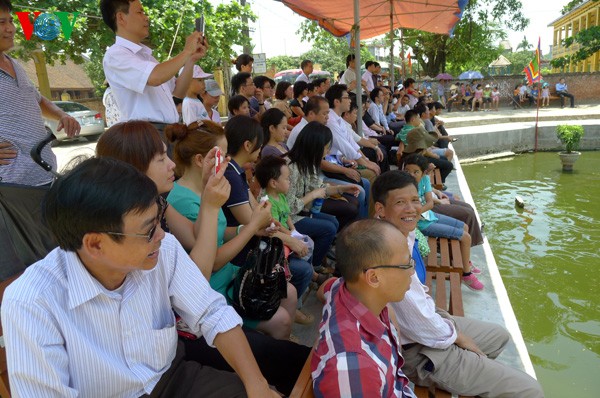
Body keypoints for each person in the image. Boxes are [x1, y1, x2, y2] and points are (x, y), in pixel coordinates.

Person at [1, 156, 280, 397]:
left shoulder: (162, 249)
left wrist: (257, 385)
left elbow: (212, 313)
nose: (162, 236)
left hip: (175, 380)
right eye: (148, 230)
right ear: (95, 244)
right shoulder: (32, 301)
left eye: (159, 218)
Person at [163, 122, 311, 394]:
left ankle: (278, 349)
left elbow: (219, 231)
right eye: (221, 154)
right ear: (201, 160)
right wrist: (253, 228)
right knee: (281, 320)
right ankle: (274, 361)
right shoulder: (185, 201)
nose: (228, 160)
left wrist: (247, 227)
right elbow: (210, 261)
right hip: (214, 290)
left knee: (288, 291)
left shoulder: (207, 189)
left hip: (228, 277)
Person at [372, 170, 544, 398]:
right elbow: (418, 322)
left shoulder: (402, 234)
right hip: (416, 349)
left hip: (430, 322)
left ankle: (465, 377)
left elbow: (419, 304)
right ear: (380, 209)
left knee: (499, 336)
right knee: (530, 391)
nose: (411, 208)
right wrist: (459, 338)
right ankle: (454, 373)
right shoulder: (385, 251)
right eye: (400, 202)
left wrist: (449, 329)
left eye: (414, 200)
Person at [311, 219, 416, 398]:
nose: (412, 271)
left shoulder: (342, 288)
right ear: (373, 278)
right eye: (406, 264)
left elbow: (324, 289)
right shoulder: (353, 366)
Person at [0, 0, 80, 186]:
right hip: (11, 183)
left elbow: (36, 100)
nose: (11, 28)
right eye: (1, 23)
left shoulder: (15, 64)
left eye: (11, 21)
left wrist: (61, 115)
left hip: (44, 173)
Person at [101, 0, 205, 137]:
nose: (146, 17)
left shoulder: (146, 56)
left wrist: (191, 59)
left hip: (164, 132)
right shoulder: (115, 55)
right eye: (140, 12)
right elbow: (155, 77)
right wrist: (186, 52)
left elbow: (178, 91)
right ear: (121, 17)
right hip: (146, 134)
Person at [254, 155, 325, 324]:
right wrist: (291, 236)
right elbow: (275, 226)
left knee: (308, 246)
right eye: (287, 179)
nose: (290, 182)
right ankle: (294, 305)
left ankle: (308, 281)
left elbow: (286, 217)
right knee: (304, 263)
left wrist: (294, 231)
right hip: (274, 245)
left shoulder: (282, 197)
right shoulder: (267, 202)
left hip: (286, 236)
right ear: (273, 183)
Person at [402, 154, 483, 290]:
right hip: (422, 224)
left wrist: (418, 211)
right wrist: (416, 214)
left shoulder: (425, 180)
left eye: (416, 172)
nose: (411, 174)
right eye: (407, 171)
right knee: (465, 237)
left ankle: (465, 262)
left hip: (429, 215)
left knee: (464, 226)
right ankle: (466, 274)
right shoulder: (404, 186)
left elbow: (429, 203)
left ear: (423, 173)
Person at [286, 121, 360, 231]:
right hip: (288, 220)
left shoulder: (308, 163)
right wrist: (313, 195)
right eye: (326, 148)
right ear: (315, 147)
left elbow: (319, 186)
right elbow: (289, 208)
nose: (328, 151)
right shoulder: (291, 168)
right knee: (329, 228)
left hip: (302, 211)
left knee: (334, 222)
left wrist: (342, 189)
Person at [325, 84, 378, 218]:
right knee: (369, 176)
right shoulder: (331, 120)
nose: (350, 100)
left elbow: (352, 143)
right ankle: (367, 218)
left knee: (371, 172)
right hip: (332, 165)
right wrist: (366, 163)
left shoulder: (338, 119)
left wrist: (365, 160)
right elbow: (345, 146)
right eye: (347, 97)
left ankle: (369, 216)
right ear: (337, 102)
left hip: (341, 161)